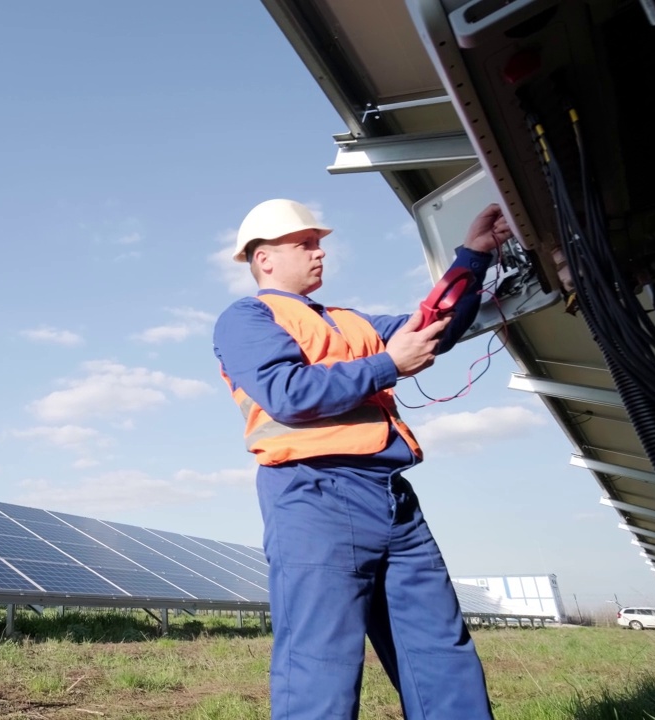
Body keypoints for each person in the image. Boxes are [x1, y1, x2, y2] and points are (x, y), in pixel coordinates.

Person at [213, 198, 509, 720]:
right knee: (322, 665)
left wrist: (474, 254)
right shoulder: (249, 317)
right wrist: (387, 366)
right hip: (314, 496)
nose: (319, 253)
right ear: (264, 260)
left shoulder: (352, 322)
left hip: (393, 498)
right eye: (304, 244)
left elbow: (434, 324)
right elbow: (287, 393)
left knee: (441, 653)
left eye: (320, 243)